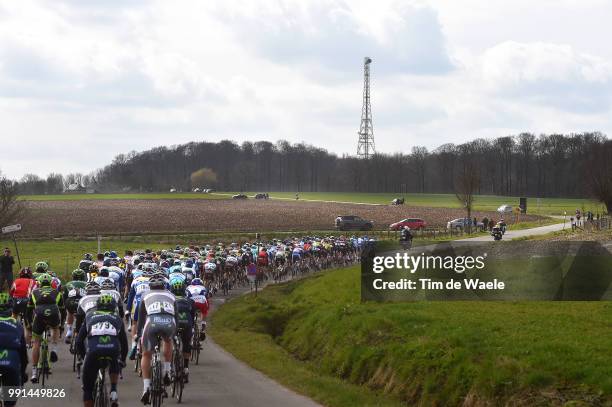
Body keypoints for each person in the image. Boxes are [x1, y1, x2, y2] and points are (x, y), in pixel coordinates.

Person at [76, 293, 128, 407]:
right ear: (113, 307)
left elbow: (79, 341)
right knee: (114, 354)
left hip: (93, 352)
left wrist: (85, 356)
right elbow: (124, 343)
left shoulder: (89, 316)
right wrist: (123, 360)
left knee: (88, 390)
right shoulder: (117, 318)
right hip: (112, 351)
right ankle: (113, 391)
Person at [136, 274, 177, 405]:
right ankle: (167, 370)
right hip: (169, 322)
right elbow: (176, 316)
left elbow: (141, 319)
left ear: (150, 286)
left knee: (146, 354)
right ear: (164, 285)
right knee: (168, 341)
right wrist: (175, 334)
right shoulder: (171, 295)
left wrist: (138, 334)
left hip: (152, 323)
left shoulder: (145, 295)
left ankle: (146, 387)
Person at [27, 273, 64, 383]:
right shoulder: (57, 293)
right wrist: (61, 325)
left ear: (39, 283)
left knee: (36, 343)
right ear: (51, 283)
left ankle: (34, 372)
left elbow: (28, 311)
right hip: (53, 316)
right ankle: (55, 348)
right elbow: (62, 310)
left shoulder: (34, 292)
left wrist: (29, 324)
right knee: (55, 328)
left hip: (39, 318)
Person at [0, 292, 29, 406]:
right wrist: (22, 376)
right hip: (11, 362)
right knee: (10, 399)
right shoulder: (16, 324)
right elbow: (23, 355)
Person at [170, 280, 196, 383]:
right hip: (187, 324)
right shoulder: (190, 300)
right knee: (186, 344)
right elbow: (193, 315)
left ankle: (171, 367)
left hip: (175, 324)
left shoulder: (170, 300)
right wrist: (192, 327)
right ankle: (185, 368)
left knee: (169, 343)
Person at [10, 268, 35, 344]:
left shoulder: (16, 281)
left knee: (14, 315)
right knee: (28, 322)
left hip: (16, 302)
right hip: (27, 302)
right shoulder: (33, 281)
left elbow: (11, 292)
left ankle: (11, 331)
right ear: (30, 274)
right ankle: (28, 343)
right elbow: (35, 293)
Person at [64, 268, 88, 343]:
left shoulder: (68, 284)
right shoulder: (87, 284)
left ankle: (69, 331)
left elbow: (65, 297)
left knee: (69, 312)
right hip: (82, 302)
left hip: (71, 302)